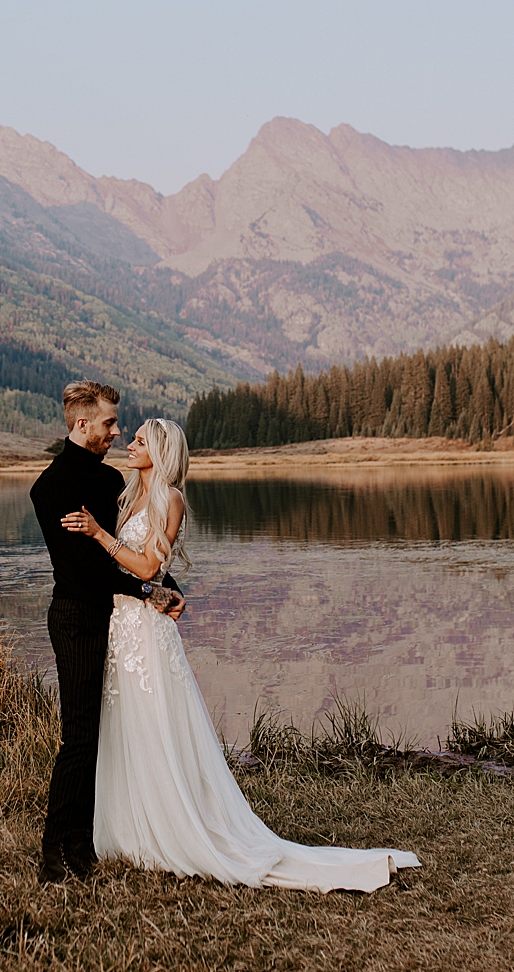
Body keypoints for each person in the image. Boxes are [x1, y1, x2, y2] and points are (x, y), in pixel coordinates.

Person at [61, 417, 421, 893]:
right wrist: (157, 585)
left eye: (140, 441)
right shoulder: (129, 498)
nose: (130, 445)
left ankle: (175, 829)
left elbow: (148, 565)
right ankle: (129, 830)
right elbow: (145, 578)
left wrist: (98, 536)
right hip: (124, 623)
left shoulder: (170, 498)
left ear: (161, 450)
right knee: (127, 723)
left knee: (156, 723)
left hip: (147, 633)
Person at [30, 381, 183, 882]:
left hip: (115, 621)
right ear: (81, 425)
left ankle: (85, 843)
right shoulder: (50, 487)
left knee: (101, 735)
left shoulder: (110, 482)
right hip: (76, 617)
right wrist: (147, 595)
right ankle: (55, 849)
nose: (116, 433)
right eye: (109, 424)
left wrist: (167, 586)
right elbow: (82, 570)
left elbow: (132, 549)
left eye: (119, 425)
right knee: (78, 736)